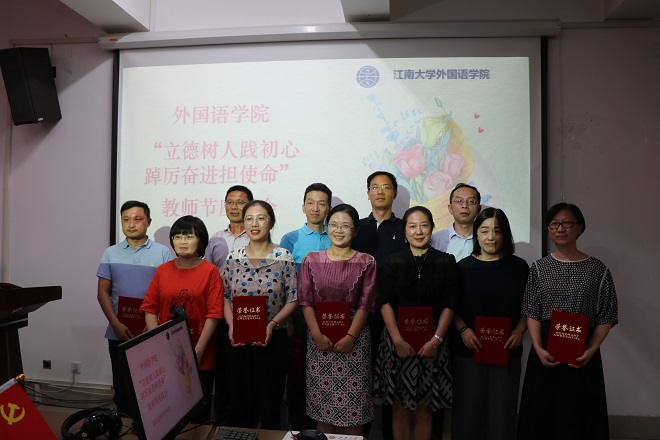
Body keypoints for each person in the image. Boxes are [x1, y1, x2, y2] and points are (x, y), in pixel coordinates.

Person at [517, 203, 619, 440]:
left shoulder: (598, 269)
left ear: (580, 228)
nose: (560, 229)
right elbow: (532, 311)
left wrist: (592, 349)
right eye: (554, 224)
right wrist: (538, 347)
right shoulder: (539, 268)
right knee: (542, 412)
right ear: (548, 229)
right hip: (545, 351)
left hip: (582, 353)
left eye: (567, 223)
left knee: (579, 413)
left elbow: (607, 315)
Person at [374, 206, 459, 440]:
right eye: (412, 226)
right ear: (405, 231)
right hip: (397, 340)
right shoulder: (392, 262)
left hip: (432, 341)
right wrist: (397, 340)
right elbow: (384, 303)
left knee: (425, 409)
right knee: (399, 409)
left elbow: (450, 304)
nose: (418, 231)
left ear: (432, 228)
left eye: (424, 225)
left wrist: (436, 340)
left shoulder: (446, 261)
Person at [298, 204, 378, 435]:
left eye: (345, 225)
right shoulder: (311, 260)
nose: (339, 230)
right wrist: (316, 335)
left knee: (354, 408)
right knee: (323, 406)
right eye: (333, 224)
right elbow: (305, 300)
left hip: (355, 340)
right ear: (327, 227)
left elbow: (366, 303)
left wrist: (351, 336)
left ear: (355, 231)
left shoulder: (367, 261)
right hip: (319, 338)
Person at [451, 208, 529, 440]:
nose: (491, 237)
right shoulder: (463, 267)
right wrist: (463, 330)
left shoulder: (519, 267)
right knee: (468, 414)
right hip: (468, 350)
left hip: (506, 350)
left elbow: (529, 306)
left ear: (506, 234)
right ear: (476, 234)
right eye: (484, 231)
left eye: (497, 231)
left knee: (502, 415)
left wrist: (520, 330)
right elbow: (451, 308)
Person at [222, 200, 298, 429]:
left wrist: (272, 324)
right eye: (249, 219)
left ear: (271, 222)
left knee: (270, 404)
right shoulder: (233, 257)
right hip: (239, 340)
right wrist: (231, 325)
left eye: (261, 218)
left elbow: (293, 298)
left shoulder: (284, 256)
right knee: (240, 404)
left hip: (273, 340)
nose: (254, 224)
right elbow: (224, 296)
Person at [141, 215, 223, 423]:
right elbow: (150, 308)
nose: (182, 241)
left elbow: (214, 313)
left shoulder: (210, 271)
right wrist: (157, 342)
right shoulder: (163, 270)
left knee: (198, 411)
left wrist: (199, 350)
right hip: (166, 350)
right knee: (168, 409)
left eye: (189, 236)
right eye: (177, 237)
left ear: (200, 240)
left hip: (200, 350)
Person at [97, 200, 172, 417]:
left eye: (137, 219)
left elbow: (166, 294)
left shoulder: (163, 253)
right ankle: (125, 424)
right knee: (122, 388)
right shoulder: (110, 253)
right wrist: (115, 324)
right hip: (118, 332)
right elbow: (102, 293)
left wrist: (153, 325)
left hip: (151, 332)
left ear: (148, 221)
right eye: (126, 219)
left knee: (151, 385)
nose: (131, 224)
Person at [280, 183, 332, 430]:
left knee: (327, 375)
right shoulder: (290, 239)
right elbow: (285, 284)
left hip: (331, 317)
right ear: (303, 207)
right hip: (300, 317)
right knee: (299, 375)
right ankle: (298, 429)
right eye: (310, 203)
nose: (315, 208)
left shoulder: (337, 235)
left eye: (321, 203)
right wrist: (289, 320)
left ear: (329, 208)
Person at [205, 185, 252, 425]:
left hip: (251, 314)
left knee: (246, 370)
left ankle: (246, 420)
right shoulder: (215, 239)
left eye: (240, 202)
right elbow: (207, 274)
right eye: (230, 202)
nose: (234, 207)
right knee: (223, 370)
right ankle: (223, 420)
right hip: (221, 313)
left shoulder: (257, 236)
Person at [430, 183, 481, 261]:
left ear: (479, 209)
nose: (464, 206)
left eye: (471, 201)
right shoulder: (436, 240)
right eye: (459, 201)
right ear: (450, 208)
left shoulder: (487, 239)